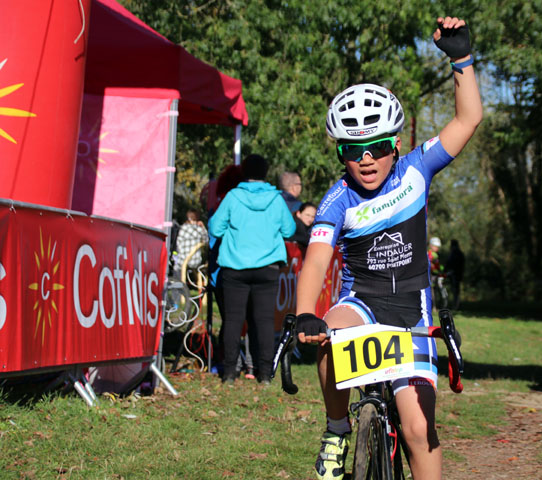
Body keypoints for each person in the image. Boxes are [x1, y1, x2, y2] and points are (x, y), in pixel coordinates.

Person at [294, 16, 482, 480]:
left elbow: (468, 118)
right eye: (352, 151)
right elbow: (317, 259)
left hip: (411, 307)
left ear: (395, 144)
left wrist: (461, 60)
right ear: (340, 154)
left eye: (376, 147)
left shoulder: (418, 168)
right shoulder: (338, 200)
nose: (365, 160)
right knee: (331, 339)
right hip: (362, 303)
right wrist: (303, 314)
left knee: (418, 429)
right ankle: (337, 429)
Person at [209, 154, 296, 385]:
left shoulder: (232, 197)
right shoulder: (276, 199)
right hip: (267, 267)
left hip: (234, 267)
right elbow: (289, 230)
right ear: (266, 172)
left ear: (244, 172)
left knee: (233, 321)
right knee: (265, 321)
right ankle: (265, 375)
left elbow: (215, 228)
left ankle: (228, 374)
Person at [173, 209, 209, 281]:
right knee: (198, 271)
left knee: (176, 268)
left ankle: (178, 291)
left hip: (183, 260)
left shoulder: (183, 228)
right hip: (195, 260)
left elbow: (178, 244)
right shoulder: (199, 229)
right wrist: (203, 227)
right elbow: (206, 240)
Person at [446, 239, 465, 309]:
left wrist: (447, 270)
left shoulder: (454, 253)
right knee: (456, 290)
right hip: (458, 273)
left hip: (454, 273)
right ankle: (456, 305)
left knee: (455, 290)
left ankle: (456, 306)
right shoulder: (459, 253)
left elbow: (449, 262)